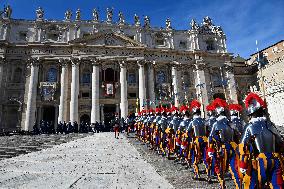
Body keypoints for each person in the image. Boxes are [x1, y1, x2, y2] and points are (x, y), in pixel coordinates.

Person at [239, 93, 284, 188]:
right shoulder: (270, 124)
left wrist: (243, 164)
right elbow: (280, 142)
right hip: (275, 159)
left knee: (253, 185)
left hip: (260, 161)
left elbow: (243, 147)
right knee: (278, 185)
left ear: (251, 114)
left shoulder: (249, 126)